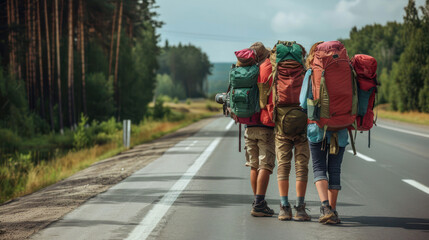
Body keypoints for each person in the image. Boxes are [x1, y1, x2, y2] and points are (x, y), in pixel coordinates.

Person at [299, 41, 347, 224]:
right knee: (335, 169)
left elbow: (303, 102)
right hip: (340, 128)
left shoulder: (312, 72)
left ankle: (325, 207)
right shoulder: (344, 68)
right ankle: (333, 210)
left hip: (317, 127)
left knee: (319, 168)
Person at [271, 43, 311, 221]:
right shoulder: (305, 69)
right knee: (301, 166)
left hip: (281, 125)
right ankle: (300, 208)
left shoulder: (275, 69)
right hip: (302, 124)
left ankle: (284, 207)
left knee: (283, 166)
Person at [243, 42, 276, 217]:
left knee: (254, 165)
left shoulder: (246, 70)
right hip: (265, 124)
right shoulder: (267, 68)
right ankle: (259, 203)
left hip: (248, 124)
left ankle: (258, 201)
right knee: (266, 164)